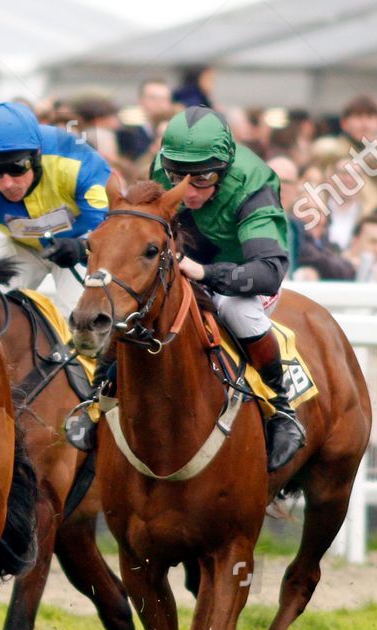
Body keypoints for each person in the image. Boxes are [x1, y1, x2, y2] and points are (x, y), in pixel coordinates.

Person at [150, 105, 304, 470]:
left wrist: (204, 273)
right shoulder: (160, 169)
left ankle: (283, 408)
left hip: (245, 275)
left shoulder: (254, 184)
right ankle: (100, 392)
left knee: (234, 308)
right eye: (177, 176)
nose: (187, 190)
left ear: (224, 168)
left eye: (202, 177)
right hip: (187, 266)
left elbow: (268, 272)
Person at [0, 100, 111, 316]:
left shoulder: (75, 158)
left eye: (17, 169)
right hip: (20, 243)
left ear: (37, 155)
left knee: (77, 316)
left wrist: (83, 247)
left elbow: (109, 223)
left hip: (79, 243)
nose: (7, 183)